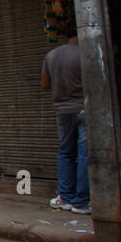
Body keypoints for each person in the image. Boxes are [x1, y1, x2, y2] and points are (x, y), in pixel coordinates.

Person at [41, 24, 89, 214]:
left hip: (62, 109)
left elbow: (45, 84)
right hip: (84, 107)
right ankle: (82, 201)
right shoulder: (86, 53)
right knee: (85, 153)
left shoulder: (51, 55)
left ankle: (65, 197)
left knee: (65, 152)